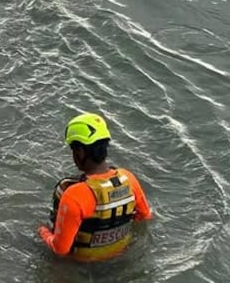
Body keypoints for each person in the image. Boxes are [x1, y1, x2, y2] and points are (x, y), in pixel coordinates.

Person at [39, 112, 152, 261]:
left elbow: (61, 249)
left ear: (79, 152)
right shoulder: (128, 179)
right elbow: (145, 216)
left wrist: (42, 232)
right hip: (119, 257)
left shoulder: (73, 194)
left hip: (82, 265)